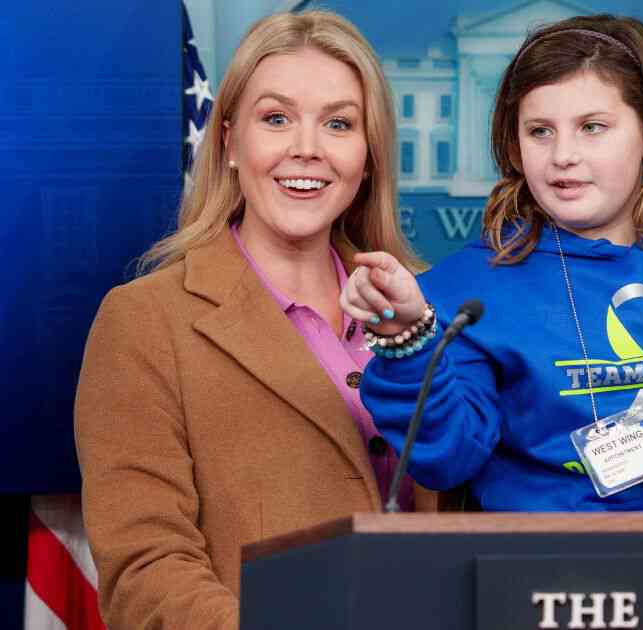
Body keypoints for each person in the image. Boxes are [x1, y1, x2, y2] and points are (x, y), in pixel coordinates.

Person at [339, 15, 643, 511]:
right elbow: (447, 460)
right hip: (541, 572)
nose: (563, 155)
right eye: (540, 131)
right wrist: (407, 342)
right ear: (514, 146)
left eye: (592, 128)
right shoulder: (463, 293)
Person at [74, 10, 427, 629]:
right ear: (230, 142)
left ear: (369, 156)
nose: (306, 148)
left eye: (339, 123)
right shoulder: (143, 323)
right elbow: (145, 570)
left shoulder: (426, 312)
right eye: (276, 118)